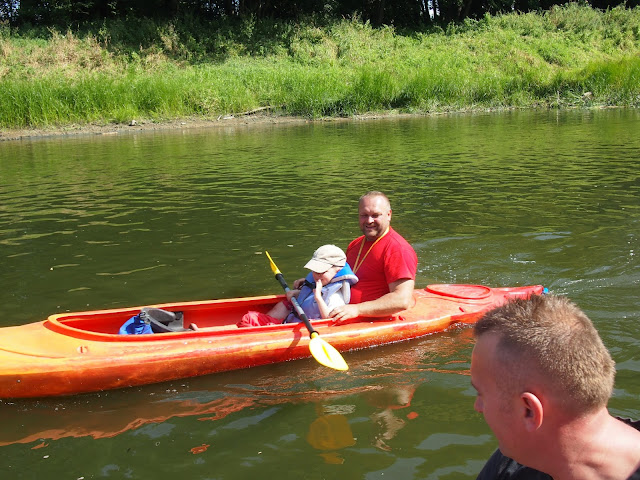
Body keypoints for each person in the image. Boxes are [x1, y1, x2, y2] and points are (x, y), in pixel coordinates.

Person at [471, 294, 640, 480]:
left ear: (529, 410)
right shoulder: (520, 455)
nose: (477, 407)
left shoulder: (515, 464)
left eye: (481, 394)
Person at [321, 191, 418, 324]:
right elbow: (343, 276)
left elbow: (401, 300)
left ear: (389, 215)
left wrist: (357, 309)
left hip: (368, 320)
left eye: (375, 215)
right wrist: (316, 279)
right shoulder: (355, 244)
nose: (369, 221)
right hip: (341, 311)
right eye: (364, 215)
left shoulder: (398, 249)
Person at [237, 245, 358, 327]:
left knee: (249, 320)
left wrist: (318, 299)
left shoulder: (335, 296)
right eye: (315, 271)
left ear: (338, 270)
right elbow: (309, 298)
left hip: (302, 329)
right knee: (250, 317)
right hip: (291, 321)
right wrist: (298, 293)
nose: (317, 276)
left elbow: (329, 321)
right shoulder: (320, 281)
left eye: (322, 272)